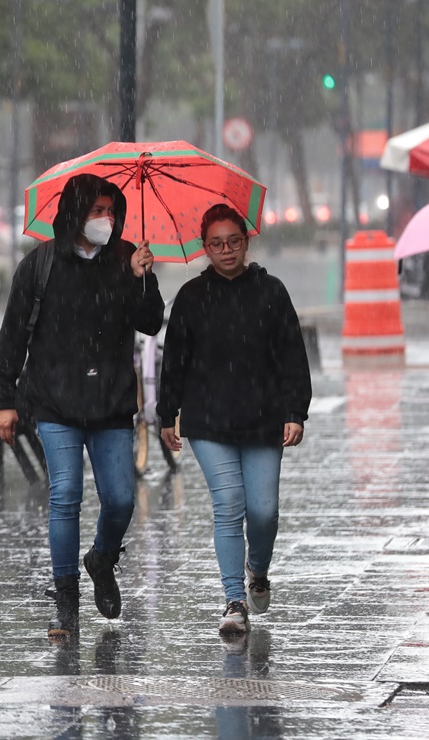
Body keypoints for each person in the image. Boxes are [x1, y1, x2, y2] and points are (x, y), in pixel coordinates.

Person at [0, 173, 164, 640]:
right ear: (73, 214)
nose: (106, 220)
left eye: (111, 212)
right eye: (96, 212)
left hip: (109, 403)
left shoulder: (128, 259)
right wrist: (4, 399)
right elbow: (13, 336)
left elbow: (150, 323)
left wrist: (142, 280)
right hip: (55, 402)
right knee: (65, 495)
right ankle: (66, 602)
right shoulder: (40, 266)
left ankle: (101, 559)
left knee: (122, 499)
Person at [156, 203, 311, 635]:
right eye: (216, 244)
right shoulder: (191, 297)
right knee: (228, 506)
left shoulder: (271, 292)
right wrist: (167, 415)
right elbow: (175, 363)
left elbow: (293, 358)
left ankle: (257, 570)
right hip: (208, 421)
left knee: (263, 512)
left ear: (247, 241)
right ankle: (233, 600)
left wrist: (295, 411)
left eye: (234, 241)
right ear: (204, 247)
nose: (226, 250)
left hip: (263, 419)